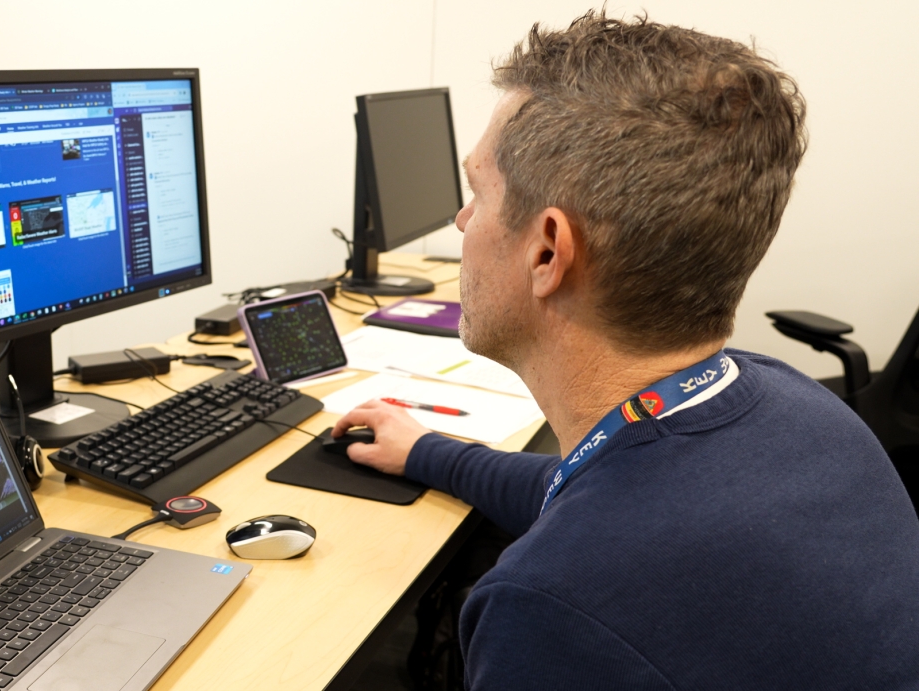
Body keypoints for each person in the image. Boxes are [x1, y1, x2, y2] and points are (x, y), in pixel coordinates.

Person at [334, 11, 919, 690]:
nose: (463, 221)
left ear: (548, 249)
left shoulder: (551, 612)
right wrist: (425, 451)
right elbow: (584, 489)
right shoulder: (796, 408)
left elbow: (597, 531)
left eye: (478, 194)